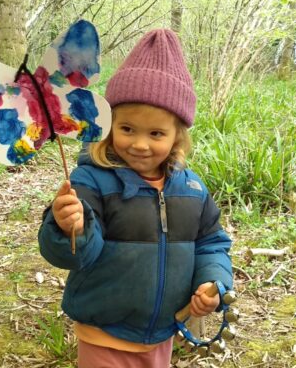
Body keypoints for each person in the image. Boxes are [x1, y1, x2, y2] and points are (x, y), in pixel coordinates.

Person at [38, 29, 233, 367]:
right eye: (127, 129)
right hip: (104, 330)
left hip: (162, 331)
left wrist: (211, 281)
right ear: (110, 124)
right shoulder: (90, 180)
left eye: (156, 133)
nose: (140, 144)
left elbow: (211, 243)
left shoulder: (193, 190)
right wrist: (71, 227)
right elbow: (74, 256)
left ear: (177, 137)